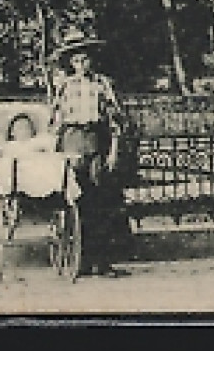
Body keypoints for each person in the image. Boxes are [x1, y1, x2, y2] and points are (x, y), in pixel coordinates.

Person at [48, 28, 132, 277]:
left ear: (91, 59)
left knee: (101, 201)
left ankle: (102, 262)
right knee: (77, 201)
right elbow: (55, 121)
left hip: (95, 142)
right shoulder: (63, 86)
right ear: (70, 63)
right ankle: (80, 261)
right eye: (75, 60)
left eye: (85, 58)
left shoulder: (102, 84)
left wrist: (113, 151)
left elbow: (116, 121)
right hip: (72, 143)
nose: (81, 64)